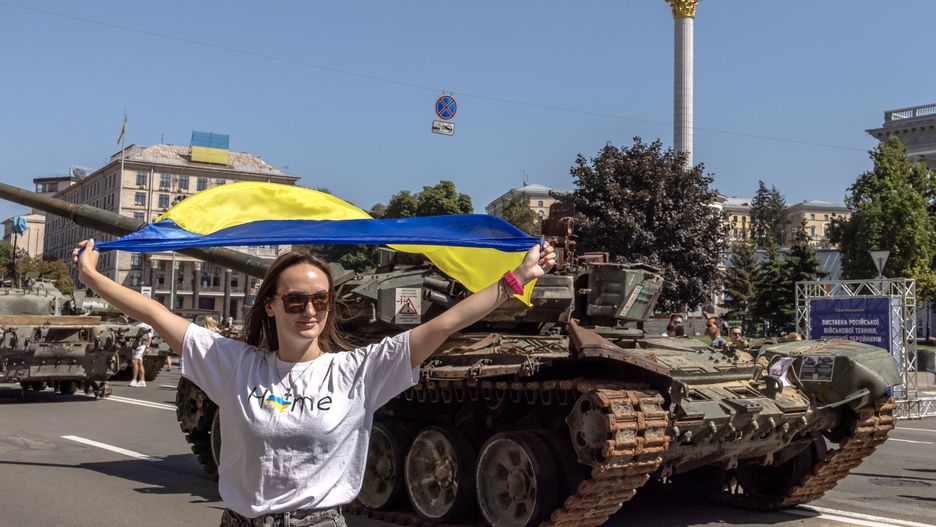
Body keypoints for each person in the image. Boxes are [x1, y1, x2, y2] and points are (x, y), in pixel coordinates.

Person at [72, 237, 555, 526]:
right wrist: (93, 278)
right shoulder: (234, 363)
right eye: (297, 299)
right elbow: (156, 313)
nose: (309, 310)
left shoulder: (359, 371)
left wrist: (520, 276)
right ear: (272, 305)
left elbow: (445, 323)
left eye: (320, 300)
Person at [130, 321, 152, 387]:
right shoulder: (133, 324)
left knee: (134, 361)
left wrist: (148, 346)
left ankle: (134, 380)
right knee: (139, 362)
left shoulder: (147, 325)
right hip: (134, 345)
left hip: (142, 345)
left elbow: (149, 337)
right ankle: (142, 381)